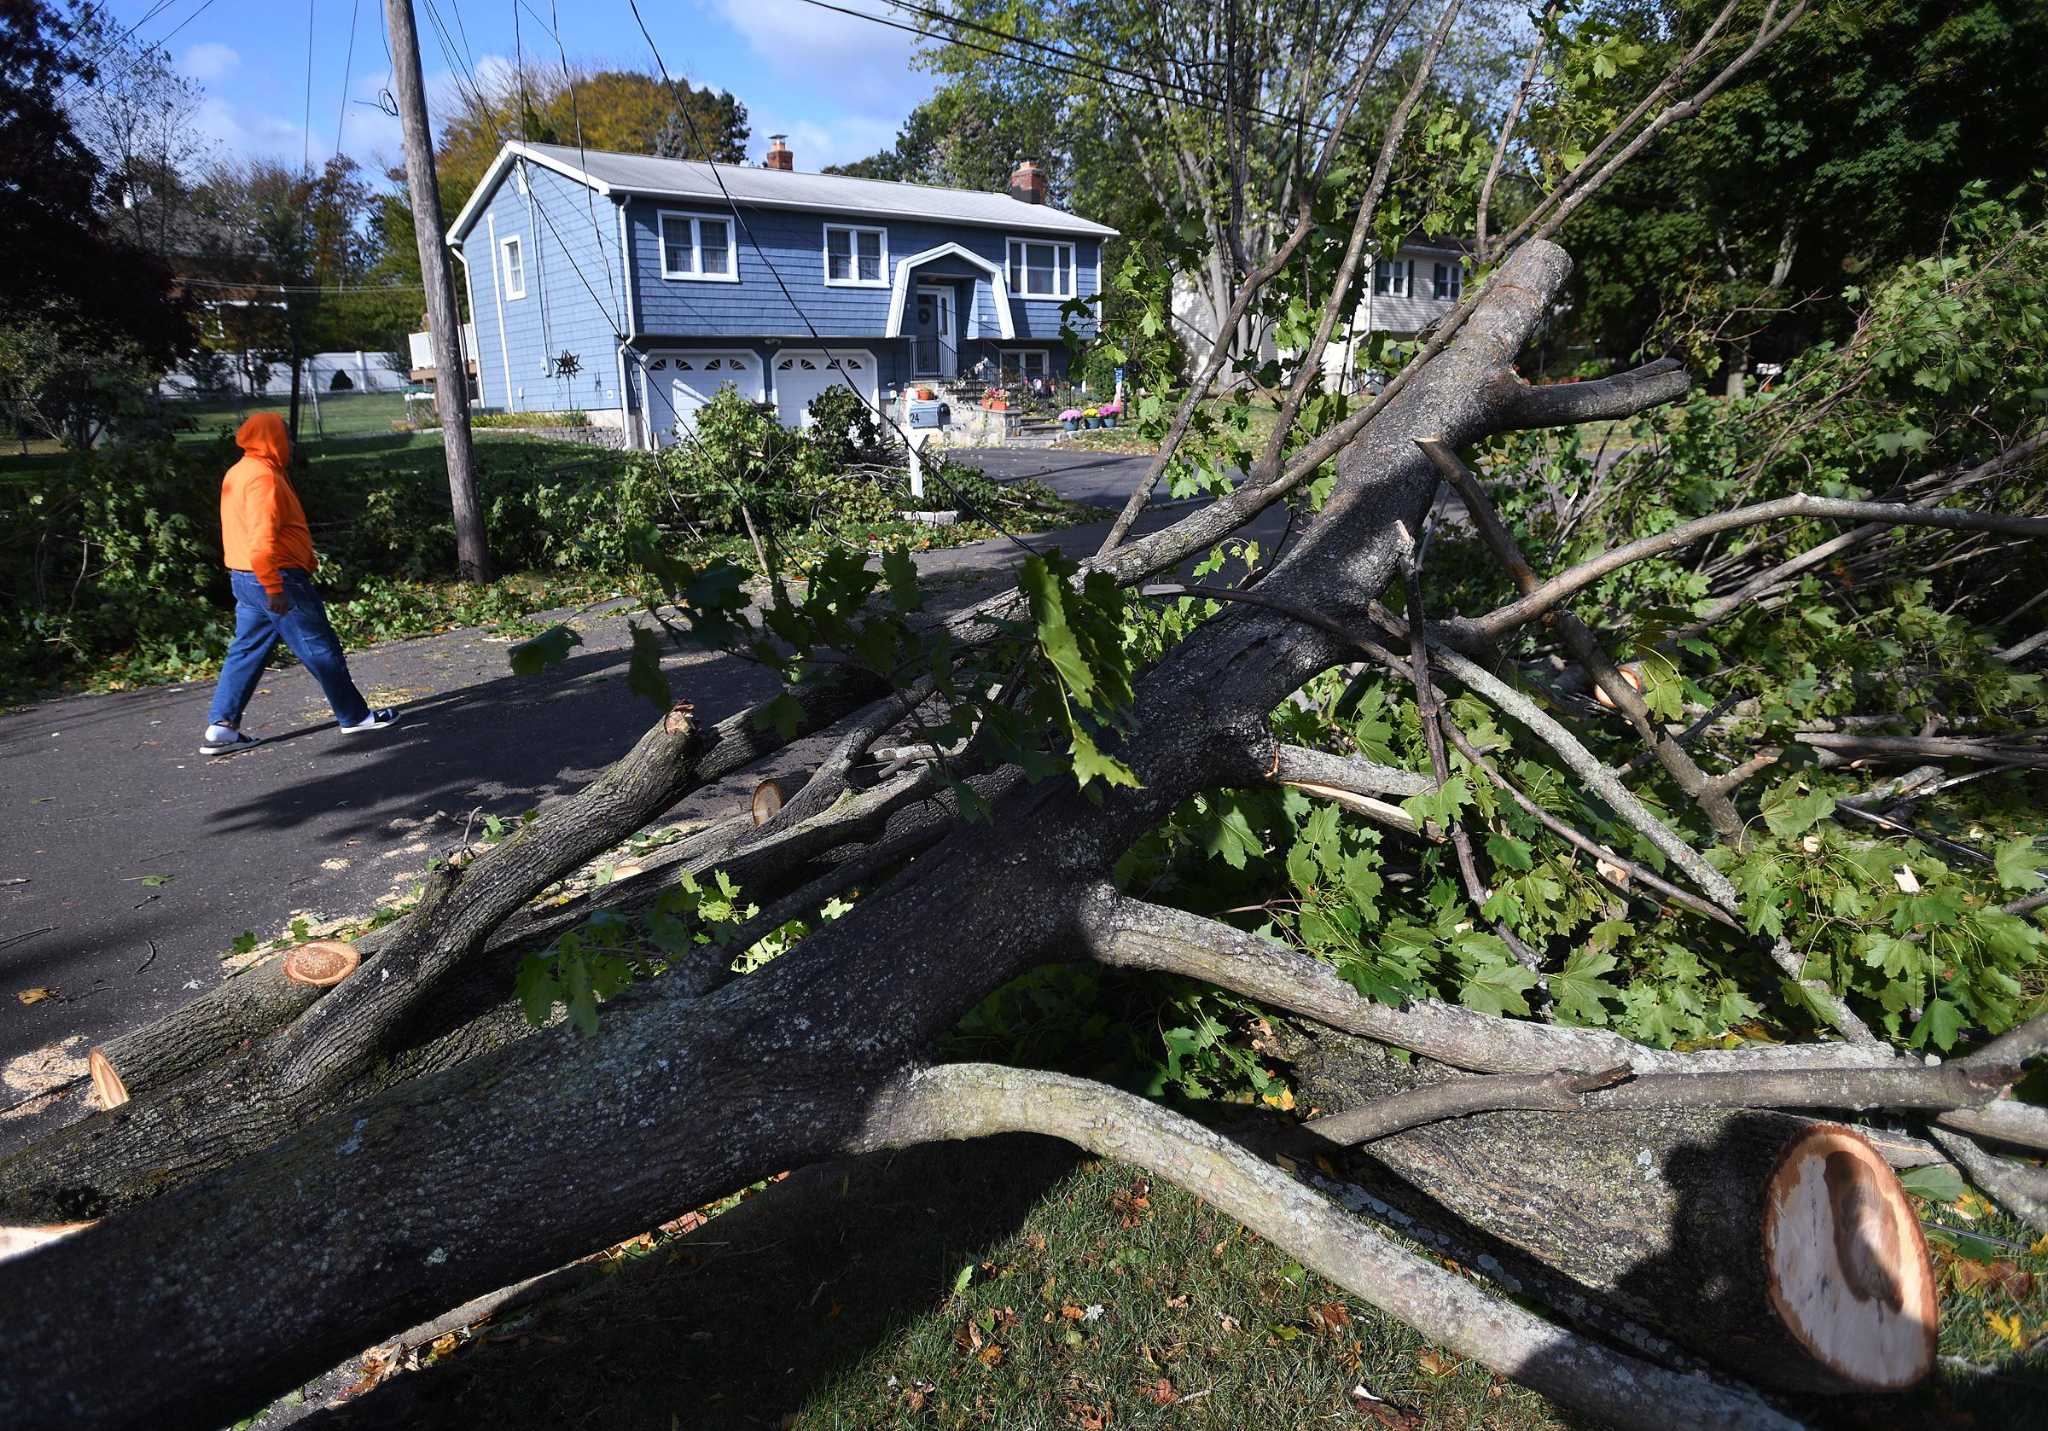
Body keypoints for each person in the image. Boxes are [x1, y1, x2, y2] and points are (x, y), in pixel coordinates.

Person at [199, 412, 398, 755]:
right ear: (271, 438)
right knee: (319, 647)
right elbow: (261, 540)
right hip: (276, 577)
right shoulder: (263, 478)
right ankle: (355, 716)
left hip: (243, 578)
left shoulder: (239, 471)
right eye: (286, 436)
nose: (290, 443)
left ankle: (223, 726)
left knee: (246, 651)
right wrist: (274, 588)